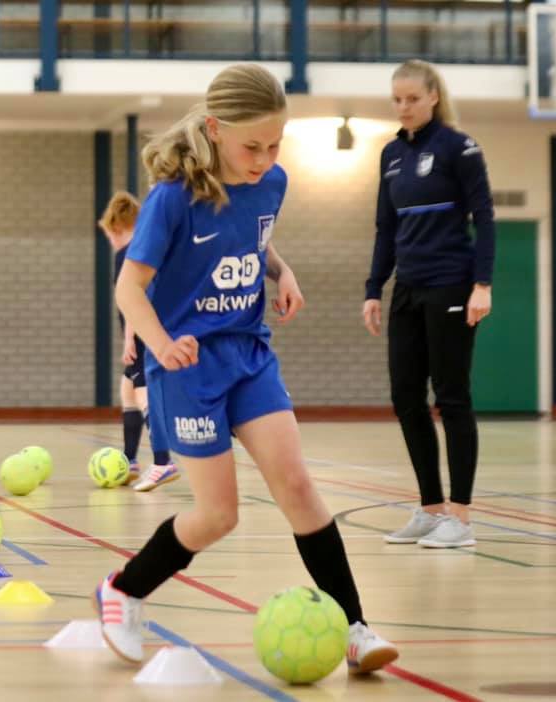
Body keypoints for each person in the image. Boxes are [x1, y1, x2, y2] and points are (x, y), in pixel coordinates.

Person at [94, 63, 399, 674]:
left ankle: (356, 628)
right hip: (187, 369)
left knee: (297, 484)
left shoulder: (273, 182)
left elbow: (254, 238)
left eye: (274, 145)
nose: (264, 157)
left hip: (249, 354)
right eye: (251, 146)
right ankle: (123, 589)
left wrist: (280, 272)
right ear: (214, 130)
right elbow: (130, 288)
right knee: (218, 516)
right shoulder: (171, 201)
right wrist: (159, 343)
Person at [363, 59, 495, 549]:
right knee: (405, 397)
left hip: (452, 285)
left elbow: (484, 216)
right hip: (409, 289)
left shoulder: (460, 149)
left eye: (412, 99)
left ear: (433, 96)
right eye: (396, 100)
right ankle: (430, 508)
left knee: (452, 397)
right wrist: (374, 288)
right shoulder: (391, 154)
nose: (403, 107)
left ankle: (459, 519)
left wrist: (482, 284)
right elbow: (386, 227)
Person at [97, 191, 179, 491]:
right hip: (149, 329)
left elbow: (134, 298)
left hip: (141, 333)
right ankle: (130, 460)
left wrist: (129, 339)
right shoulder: (146, 249)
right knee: (128, 391)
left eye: (109, 234)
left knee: (144, 393)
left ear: (116, 227)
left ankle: (162, 461)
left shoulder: (126, 254)